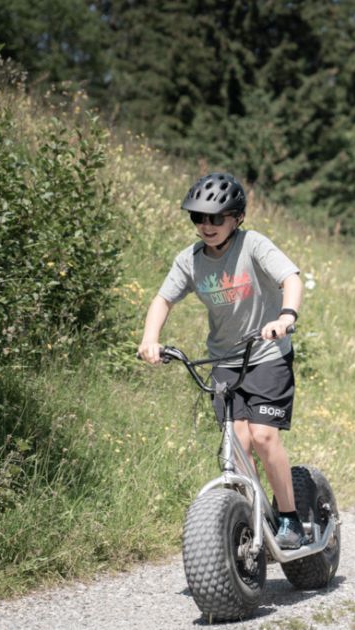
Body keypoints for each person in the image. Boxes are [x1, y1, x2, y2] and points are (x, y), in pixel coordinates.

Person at [137, 172, 306, 549]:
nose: (206, 226)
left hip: (266, 354)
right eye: (198, 218)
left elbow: (291, 278)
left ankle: (291, 517)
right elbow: (162, 299)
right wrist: (151, 339)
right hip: (225, 362)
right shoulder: (190, 260)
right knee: (236, 444)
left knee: (263, 436)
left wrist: (286, 316)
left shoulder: (253, 245)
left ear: (236, 218)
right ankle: (257, 515)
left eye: (216, 218)